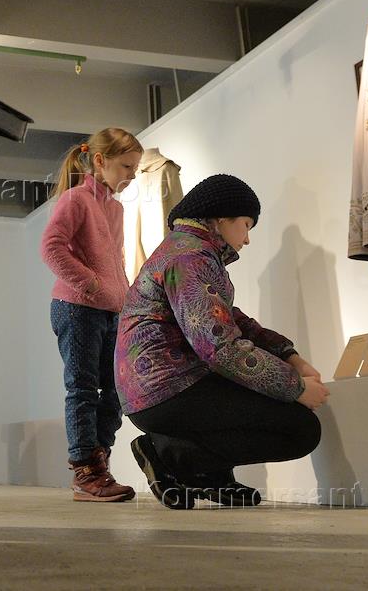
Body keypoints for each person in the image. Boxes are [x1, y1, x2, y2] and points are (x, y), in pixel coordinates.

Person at [116, 174, 327, 509]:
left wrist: (290, 356)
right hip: (168, 390)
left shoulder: (188, 250)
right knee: (300, 429)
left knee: (248, 396)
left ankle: (208, 475)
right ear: (221, 218)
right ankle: (171, 456)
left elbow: (232, 319)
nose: (247, 239)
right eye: (246, 225)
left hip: (156, 388)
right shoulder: (191, 258)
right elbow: (220, 348)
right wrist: (296, 387)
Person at [40, 128, 143, 502]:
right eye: (126, 166)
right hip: (76, 308)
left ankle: (98, 463)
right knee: (82, 388)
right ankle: (86, 471)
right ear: (100, 161)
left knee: (116, 390)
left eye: (135, 168)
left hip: (110, 312)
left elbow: (116, 259)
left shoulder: (115, 208)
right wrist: (91, 284)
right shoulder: (76, 199)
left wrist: (125, 300)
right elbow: (51, 247)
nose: (131, 175)